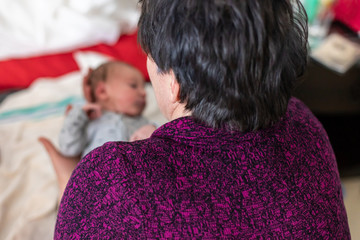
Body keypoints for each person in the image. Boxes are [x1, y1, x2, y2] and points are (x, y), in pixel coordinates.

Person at [54, 0, 350, 239]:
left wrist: (114, 175)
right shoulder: (304, 124)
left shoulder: (109, 176)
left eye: (149, 60)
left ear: (176, 82)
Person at [39, 60, 156, 201]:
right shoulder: (90, 120)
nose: (144, 92)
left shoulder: (142, 123)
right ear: (102, 91)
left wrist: (152, 130)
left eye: (143, 87)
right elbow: (69, 149)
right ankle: (68, 188)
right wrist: (76, 117)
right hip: (96, 187)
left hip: (133, 188)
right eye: (133, 86)